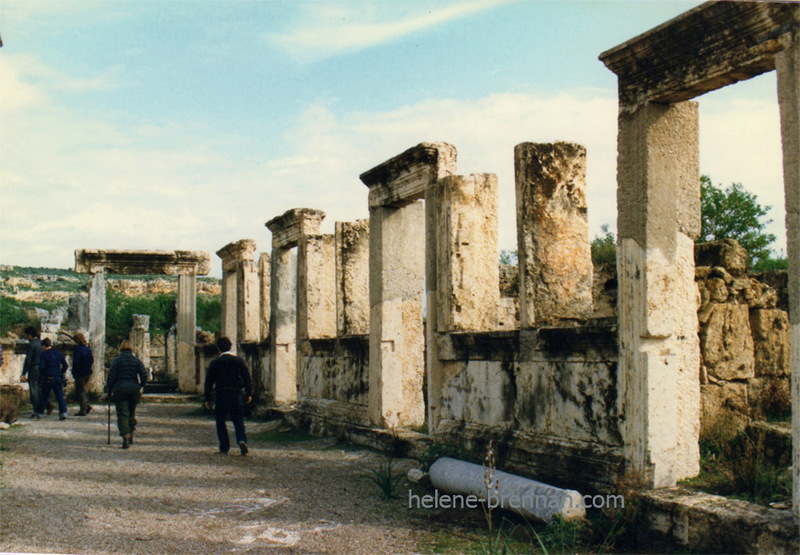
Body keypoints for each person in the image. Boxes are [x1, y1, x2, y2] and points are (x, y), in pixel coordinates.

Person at [204, 337, 252, 456]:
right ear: (230, 347)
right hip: (236, 394)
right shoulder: (238, 361)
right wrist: (249, 393)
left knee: (220, 421)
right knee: (238, 420)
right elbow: (247, 378)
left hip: (221, 394)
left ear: (218, 349)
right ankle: (241, 440)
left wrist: (208, 399)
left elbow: (209, 382)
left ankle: (224, 447)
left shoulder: (215, 363)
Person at [106, 340, 148, 449]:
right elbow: (144, 374)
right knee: (131, 412)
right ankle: (131, 433)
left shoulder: (117, 361)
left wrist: (109, 390)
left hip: (120, 389)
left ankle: (125, 435)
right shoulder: (136, 361)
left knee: (122, 413)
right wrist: (140, 385)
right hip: (134, 389)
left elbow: (111, 377)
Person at [36, 338, 69, 420]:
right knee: (60, 396)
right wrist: (61, 372)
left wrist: (43, 375)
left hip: (48, 377)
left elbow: (41, 367)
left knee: (44, 396)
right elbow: (65, 365)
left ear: (43, 346)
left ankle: (39, 413)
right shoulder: (58, 353)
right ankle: (63, 413)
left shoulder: (43, 355)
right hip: (57, 377)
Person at [20, 326, 43, 417]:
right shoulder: (41, 343)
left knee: (34, 390)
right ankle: (43, 407)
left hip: (33, 368)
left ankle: (36, 410)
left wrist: (24, 373)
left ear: (30, 335)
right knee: (40, 389)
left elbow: (28, 360)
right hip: (42, 368)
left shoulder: (31, 344)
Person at [71, 332, 94, 416]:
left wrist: (74, 371)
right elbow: (92, 359)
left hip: (80, 372)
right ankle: (86, 405)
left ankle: (83, 409)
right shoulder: (87, 348)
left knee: (80, 391)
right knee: (83, 390)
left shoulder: (77, 349)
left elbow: (76, 362)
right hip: (87, 371)